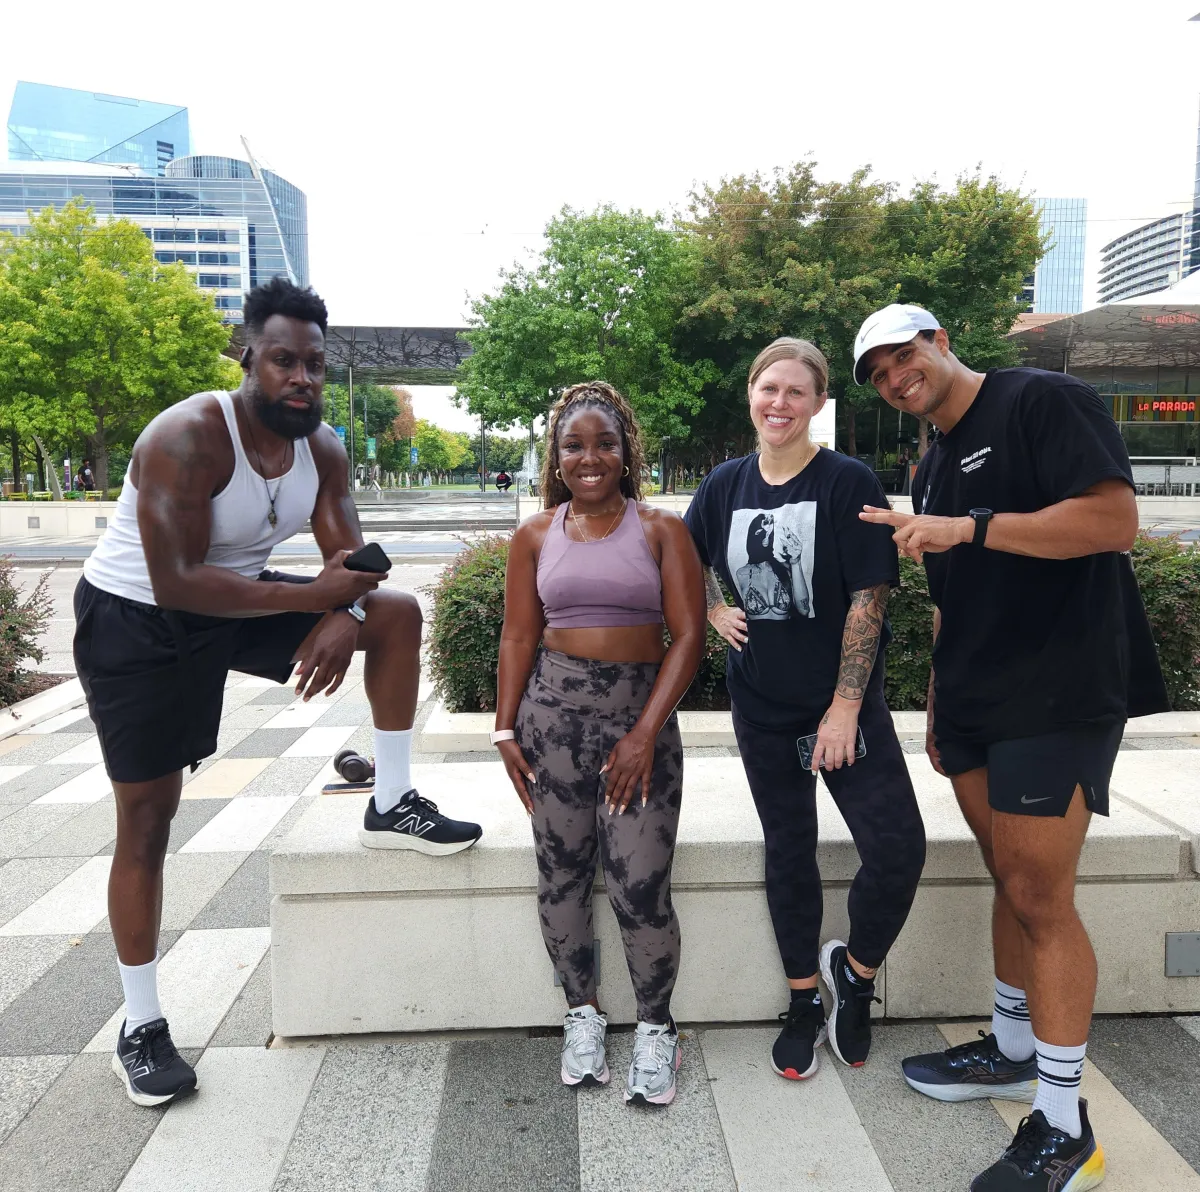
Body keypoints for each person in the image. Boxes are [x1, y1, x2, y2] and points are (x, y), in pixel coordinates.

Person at [74, 277, 482, 1110]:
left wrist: (352, 605)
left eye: (316, 366)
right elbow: (178, 581)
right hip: (138, 619)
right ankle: (139, 1025)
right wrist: (317, 600)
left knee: (396, 615)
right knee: (149, 818)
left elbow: (358, 561)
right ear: (248, 357)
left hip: (238, 597)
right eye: (284, 361)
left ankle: (393, 801)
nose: (302, 378)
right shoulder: (187, 436)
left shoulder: (321, 448)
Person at [856, 303, 1168, 1192]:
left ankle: (1067, 1127)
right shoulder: (935, 457)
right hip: (978, 701)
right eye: (876, 373)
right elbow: (954, 594)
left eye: (901, 356)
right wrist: (936, 699)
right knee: (1010, 879)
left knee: (1043, 895)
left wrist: (974, 526)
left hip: (1057, 692)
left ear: (941, 341)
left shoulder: (1042, 400)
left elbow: (1113, 523)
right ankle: (1012, 1045)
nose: (893, 377)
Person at [685, 337, 925, 1083]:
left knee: (897, 850)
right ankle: (801, 1002)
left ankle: (854, 972)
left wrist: (844, 709)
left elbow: (869, 599)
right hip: (761, 711)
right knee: (788, 852)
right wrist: (712, 606)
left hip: (842, 712)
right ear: (750, 395)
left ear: (819, 403)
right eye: (768, 388)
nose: (779, 403)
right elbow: (679, 558)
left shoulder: (846, 480)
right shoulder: (724, 485)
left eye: (796, 391)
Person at [493, 381, 705, 1106]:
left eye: (604, 443)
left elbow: (691, 637)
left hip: (636, 724)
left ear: (626, 452)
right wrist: (503, 727)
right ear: (556, 456)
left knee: (640, 884)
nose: (590, 457)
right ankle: (580, 1015)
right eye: (575, 445)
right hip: (551, 721)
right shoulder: (534, 533)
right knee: (562, 876)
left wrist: (645, 731)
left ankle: (656, 1028)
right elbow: (518, 633)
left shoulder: (660, 530)